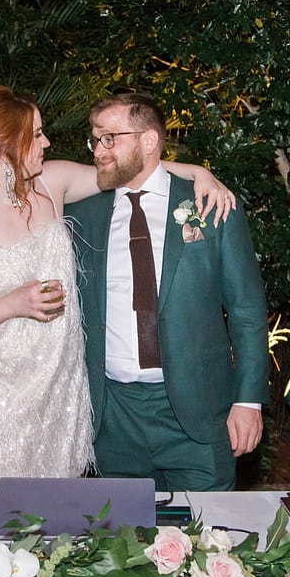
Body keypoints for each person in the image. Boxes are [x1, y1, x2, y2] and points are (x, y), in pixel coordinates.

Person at [0, 86, 235, 489]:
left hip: (64, 393)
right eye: (37, 134)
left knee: (64, 526)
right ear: (6, 145)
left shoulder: (52, 183)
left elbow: (132, 169)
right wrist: (7, 306)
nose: (47, 141)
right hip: (1, 396)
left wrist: (198, 173)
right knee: (12, 518)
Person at [66, 92, 269, 491]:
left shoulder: (211, 206)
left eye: (110, 138)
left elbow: (246, 309)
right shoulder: (81, 215)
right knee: (120, 548)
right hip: (113, 417)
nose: (98, 150)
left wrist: (248, 401)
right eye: (95, 140)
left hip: (198, 414)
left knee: (210, 543)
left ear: (148, 141)